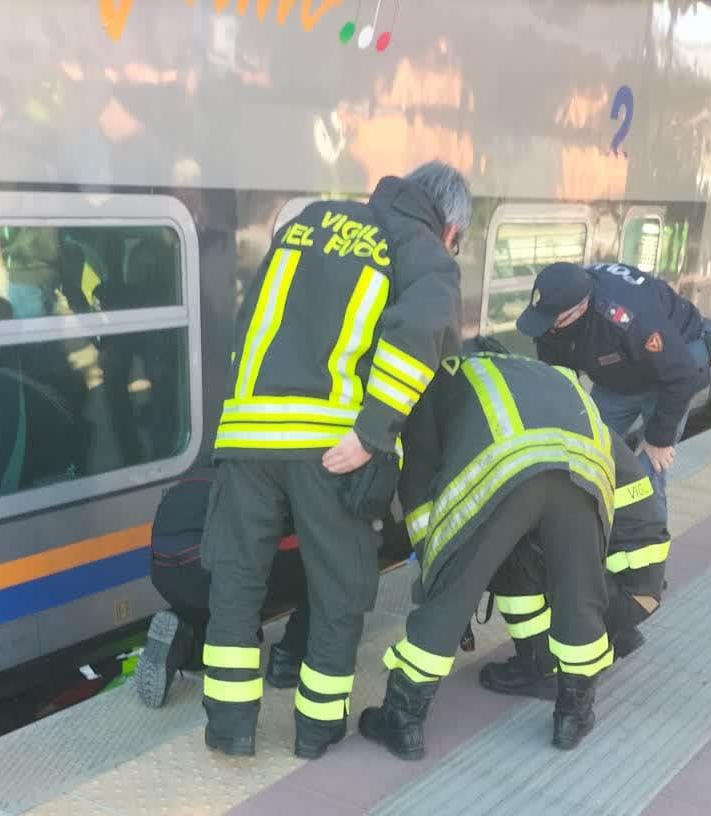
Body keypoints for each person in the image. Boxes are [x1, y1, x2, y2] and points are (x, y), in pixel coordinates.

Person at [200, 162, 470, 760]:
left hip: (248, 434)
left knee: (237, 583)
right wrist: (374, 433)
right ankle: (316, 734)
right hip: (331, 447)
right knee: (338, 591)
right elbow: (423, 332)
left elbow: (256, 316)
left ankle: (229, 729)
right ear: (449, 228)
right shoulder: (423, 252)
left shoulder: (311, 220)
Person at [359, 337, 616, 760]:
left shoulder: (441, 379)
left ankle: (402, 721)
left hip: (505, 470)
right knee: (579, 595)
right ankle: (573, 715)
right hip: (585, 472)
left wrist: (435, 566)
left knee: (450, 599)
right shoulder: (545, 372)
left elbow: (419, 486)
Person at [135, 472, 412, 708]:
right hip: (216, 558)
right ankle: (289, 658)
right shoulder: (307, 480)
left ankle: (183, 633)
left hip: (165, 563)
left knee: (224, 611)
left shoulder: (242, 454)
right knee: (329, 568)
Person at [514, 261, 711, 520]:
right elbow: (558, 375)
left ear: (580, 310)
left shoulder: (628, 318)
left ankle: (648, 545)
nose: (549, 329)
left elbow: (681, 374)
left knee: (645, 476)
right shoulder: (552, 313)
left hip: (672, 374)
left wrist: (659, 440)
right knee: (585, 449)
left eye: (555, 323)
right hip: (621, 377)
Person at [477, 423, 669, 699]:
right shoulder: (574, 421)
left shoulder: (530, 437)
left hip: (620, 592)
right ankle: (614, 633)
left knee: (513, 557)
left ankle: (543, 668)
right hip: (639, 584)